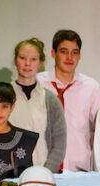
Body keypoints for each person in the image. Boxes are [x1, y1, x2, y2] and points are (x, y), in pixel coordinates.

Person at [38, 30, 100, 172]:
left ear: (80, 55)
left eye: (75, 52)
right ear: (53, 53)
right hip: (42, 165)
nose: (69, 57)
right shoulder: (38, 84)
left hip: (79, 168)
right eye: (64, 52)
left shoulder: (91, 87)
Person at [9, 37, 66, 172]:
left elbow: (59, 144)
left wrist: (46, 172)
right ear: (15, 60)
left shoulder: (50, 100)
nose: (27, 63)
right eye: (22, 58)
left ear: (40, 63)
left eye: (33, 59)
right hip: (9, 174)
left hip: (42, 172)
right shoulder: (4, 96)